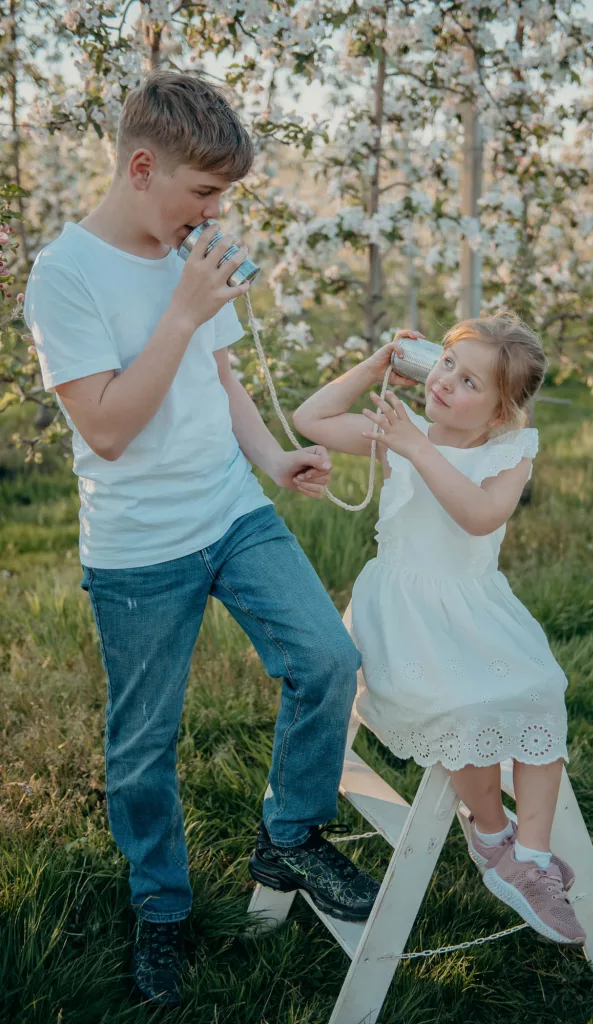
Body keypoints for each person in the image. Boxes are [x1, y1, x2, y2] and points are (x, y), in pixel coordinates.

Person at [23, 70, 379, 1008]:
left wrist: (272, 458)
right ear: (142, 168)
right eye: (206, 191)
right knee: (144, 744)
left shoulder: (192, 254)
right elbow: (108, 428)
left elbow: (220, 379)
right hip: (139, 548)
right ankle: (163, 909)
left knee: (327, 659)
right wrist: (182, 310)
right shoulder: (63, 276)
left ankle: (291, 835)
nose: (216, 211)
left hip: (230, 510)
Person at [293, 312, 586, 947]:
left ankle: (531, 859)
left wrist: (418, 447)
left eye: (470, 381)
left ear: (501, 413)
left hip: (476, 611)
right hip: (403, 615)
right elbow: (310, 418)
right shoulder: (403, 433)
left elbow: (479, 516)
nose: (446, 382)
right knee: (465, 707)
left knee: (541, 689)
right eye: (446, 363)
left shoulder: (507, 454)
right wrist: (375, 366)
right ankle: (490, 832)